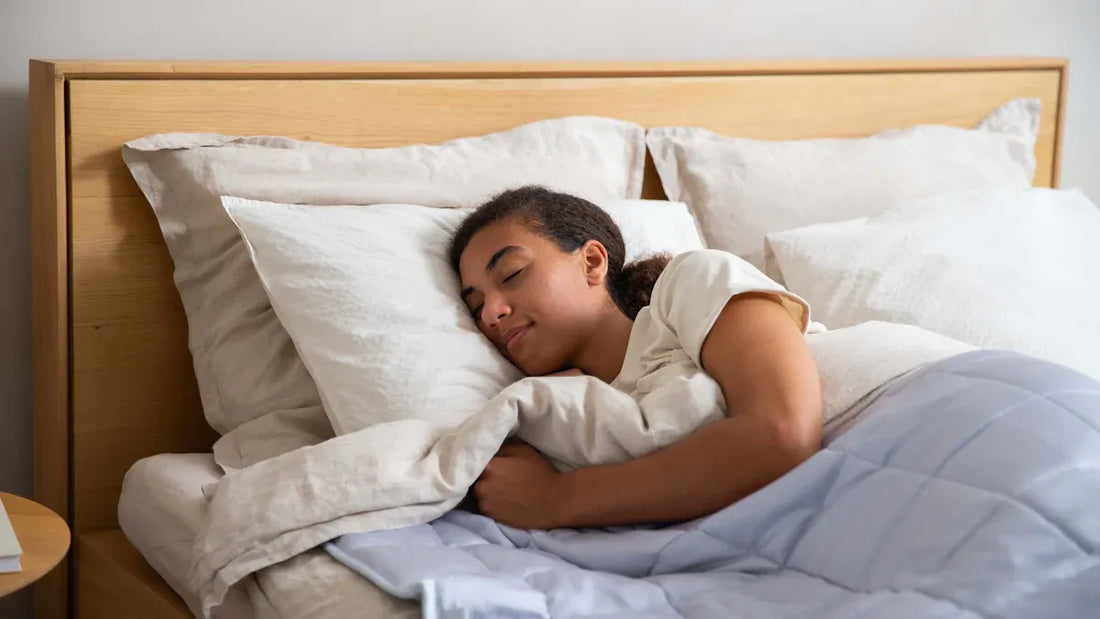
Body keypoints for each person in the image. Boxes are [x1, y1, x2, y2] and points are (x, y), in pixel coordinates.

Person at [449, 186, 822, 530]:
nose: (490, 314)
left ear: (592, 262)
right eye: (476, 305)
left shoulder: (692, 282)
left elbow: (782, 432)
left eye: (512, 273)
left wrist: (557, 498)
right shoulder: (554, 417)